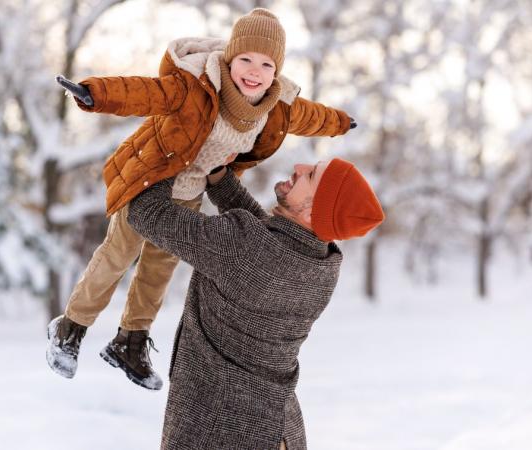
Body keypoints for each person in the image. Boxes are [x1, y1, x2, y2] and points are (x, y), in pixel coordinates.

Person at [47, 8, 356, 390]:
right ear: (229, 58)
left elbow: (310, 117)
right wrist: (95, 93)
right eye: (245, 59)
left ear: (276, 71)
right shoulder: (196, 86)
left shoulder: (276, 108)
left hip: (189, 194)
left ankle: (130, 341)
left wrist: (340, 122)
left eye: (265, 63)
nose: (253, 71)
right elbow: (145, 92)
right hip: (151, 179)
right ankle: (70, 327)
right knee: (116, 256)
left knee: (157, 272)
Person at [126, 158, 384, 449]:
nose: (298, 166)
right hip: (277, 428)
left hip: (220, 430)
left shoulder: (244, 248)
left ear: (313, 212)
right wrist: (220, 179)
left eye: (310, 176)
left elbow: (146, 213)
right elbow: (261, 242)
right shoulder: (324, 265)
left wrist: (166, 158)